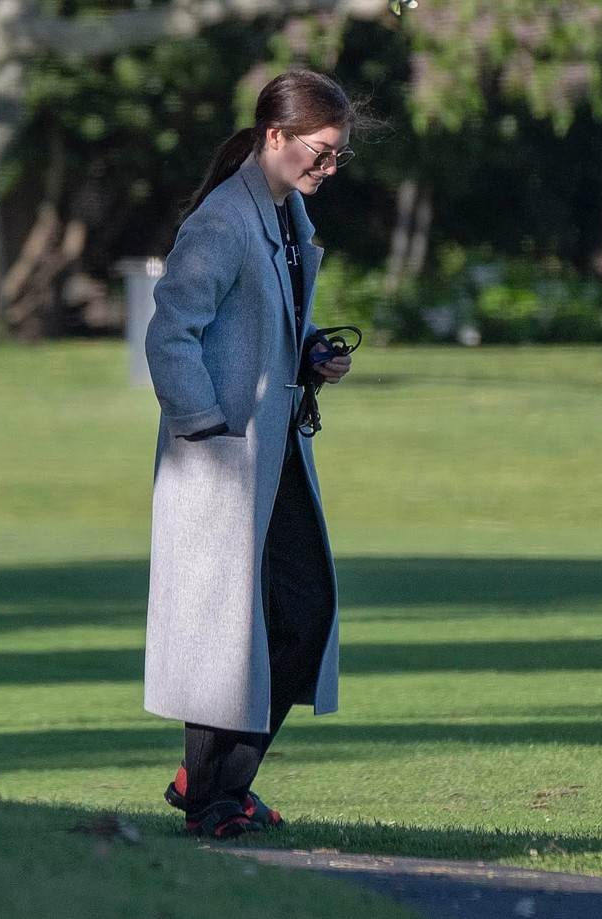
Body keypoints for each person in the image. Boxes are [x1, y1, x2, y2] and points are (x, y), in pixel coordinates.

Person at [143, 69, 366, 838]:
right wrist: (203, 429)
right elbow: (170, 334)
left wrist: (309, 354)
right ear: (277, 136)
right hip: (222, 462)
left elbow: (257, 325)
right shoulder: (223, 222)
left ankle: (207, 779)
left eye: (337, 156)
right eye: (322, 152)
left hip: (274, 460)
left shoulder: (281, 213)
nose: (329, 169)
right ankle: (212, 800)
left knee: (301, 615)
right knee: (232, 634)